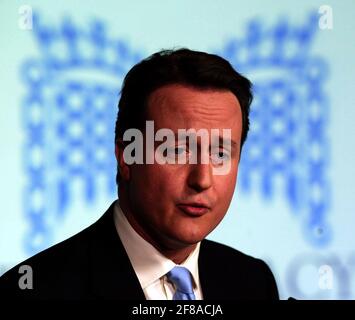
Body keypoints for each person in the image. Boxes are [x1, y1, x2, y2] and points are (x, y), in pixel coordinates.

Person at [0, 48, 279, 300]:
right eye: (177, 150)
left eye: (220, 154)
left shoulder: (253, 282)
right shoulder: (35, 290)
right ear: (126, 156)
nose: (202, 179)